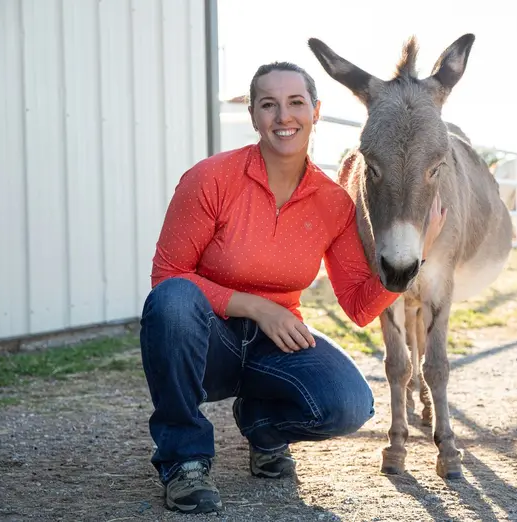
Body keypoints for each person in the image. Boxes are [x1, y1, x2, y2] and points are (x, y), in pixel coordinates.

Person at [138, 60, 447, 514]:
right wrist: (258, 308)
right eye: (269, 104)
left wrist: (419, 250)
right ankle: (183, 460)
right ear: (254, 116)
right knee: (173, 301)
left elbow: (360, 306)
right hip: (207, 344)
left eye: (296, 103)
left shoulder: (331, 202)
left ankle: (262, 427)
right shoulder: (210, 179)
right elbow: (167, 277)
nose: (284, 116)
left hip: (272, 348)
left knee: (349, 404)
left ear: (316, 112)